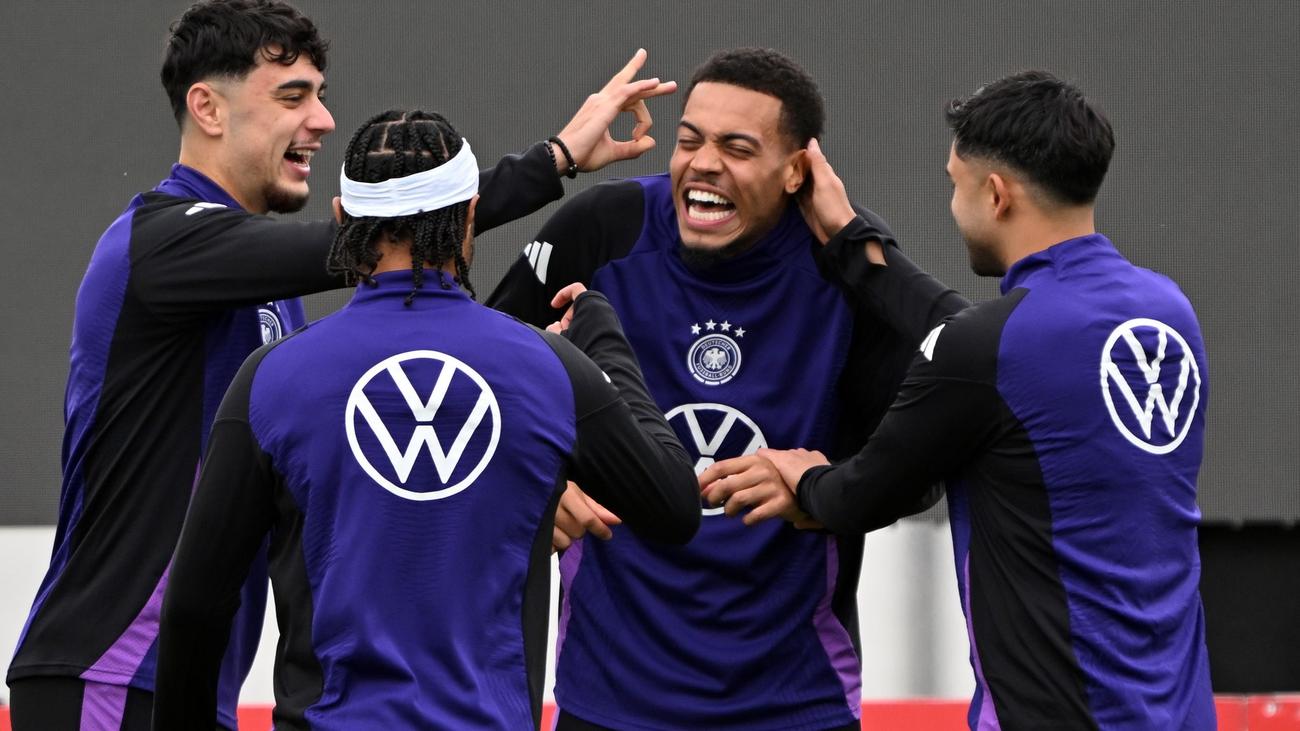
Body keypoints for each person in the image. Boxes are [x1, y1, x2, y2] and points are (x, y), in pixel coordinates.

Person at [4, 1, 676, 728]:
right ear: (208, 107)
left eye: (321, 95)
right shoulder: (157, 242)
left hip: (184, 685)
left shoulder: (266, 298)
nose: (323, 120)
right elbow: (390, 232)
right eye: (292, 96)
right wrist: (553, 160)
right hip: (108, 673)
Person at [151, 108, 700, 730]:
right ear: (469, 214)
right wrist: (603, 343)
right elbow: (673, 506)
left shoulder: (271, 379)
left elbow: (194, 606)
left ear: (343, 218)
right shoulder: (549, 371)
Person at [708, 70, 1216, 729]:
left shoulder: (991, 348)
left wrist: (802, 474)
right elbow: (984, 347)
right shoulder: (1168, 311)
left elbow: (858, 496)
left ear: (996, 194)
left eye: (955, 185)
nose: (954, 205)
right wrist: (852, 240)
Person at [488, 48, 931, 731]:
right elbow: (469, 383)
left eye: (737, 148)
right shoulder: (602, 232)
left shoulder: (848, 266)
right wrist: (538, 487)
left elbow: (923, 467)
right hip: (608, 697)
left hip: (797, 702)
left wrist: (825, 488)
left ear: (797, 170)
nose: (703, 164)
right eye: (689, 140)